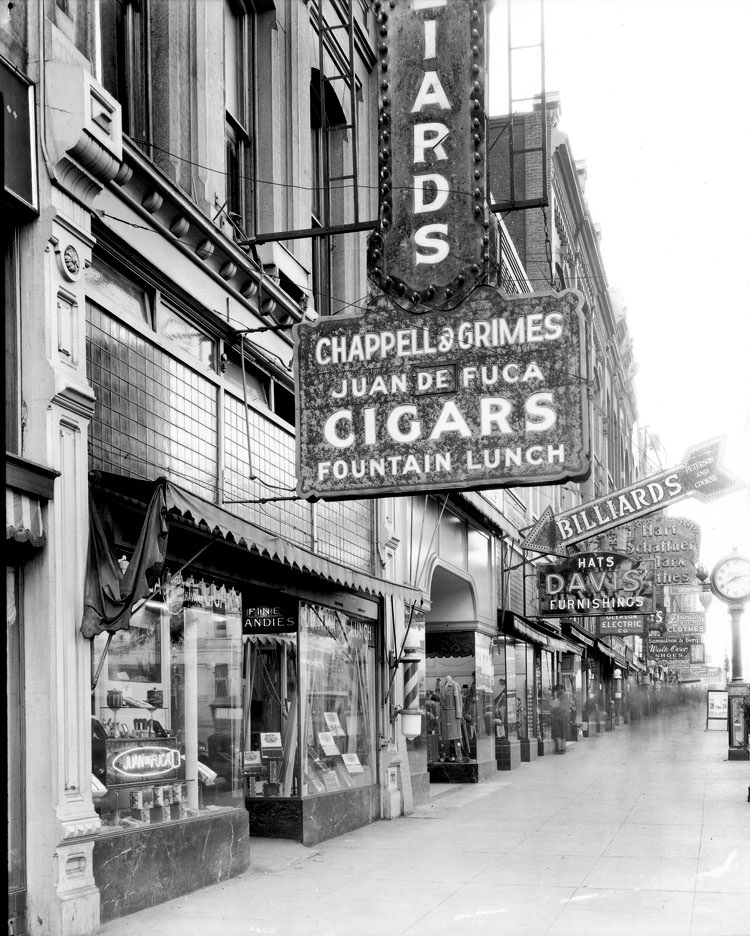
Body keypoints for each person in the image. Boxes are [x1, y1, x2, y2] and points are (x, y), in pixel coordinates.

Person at [439, 675, 465, 762]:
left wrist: (458, 713)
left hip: (452, 713)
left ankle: (458, 755)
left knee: (455, 735)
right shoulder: (443, 686)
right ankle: (447, 755)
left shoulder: (454, 685)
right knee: (445, 736)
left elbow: (458, 700)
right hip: (444, 713)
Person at [551, 685, 567, 753]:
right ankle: (561, 748)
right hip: (561, 719)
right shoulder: (563, 699)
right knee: (560, 735)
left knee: (558, 734)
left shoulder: (557, 700)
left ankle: (559, 748)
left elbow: (554, 709)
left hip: (557, 719)